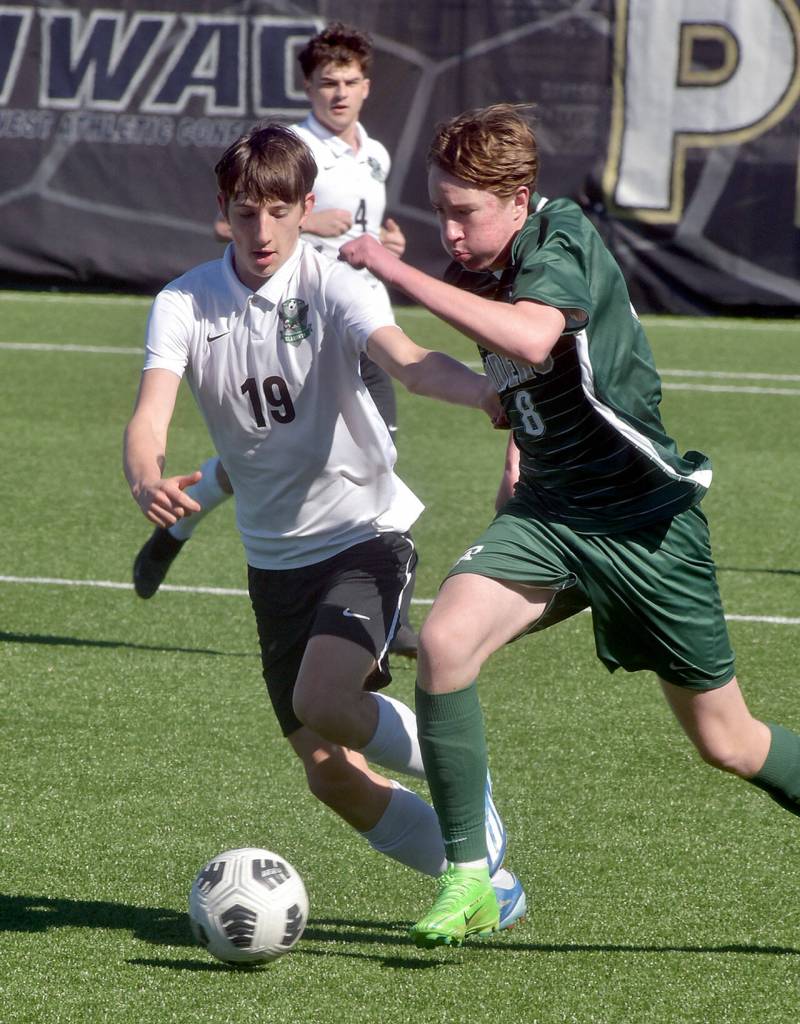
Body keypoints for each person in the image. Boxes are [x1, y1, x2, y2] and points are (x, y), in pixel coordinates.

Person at [339, 101, 800, 948]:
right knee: (446, 644)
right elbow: (523, 386)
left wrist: (396, 273)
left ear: (519, 199)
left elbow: (535, 337)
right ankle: (471, 876)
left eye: (465, 212)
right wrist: (512, 445)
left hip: (644, 527)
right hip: (552, 515)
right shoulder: (479, 256)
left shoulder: (561, 237)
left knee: (729, 742)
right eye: (439, 208)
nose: (451, 229)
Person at [123, 123, 526, 930]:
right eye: (245, 213)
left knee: (328, 695)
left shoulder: (336, 283)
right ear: (223, 211)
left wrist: (484, 394)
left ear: (309, 208)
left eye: (280, 211)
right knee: (328, 774)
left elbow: (408, 360)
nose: (262, 231)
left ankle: (462, 791)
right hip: (273, 563)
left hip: (363, 532)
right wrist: (144, 475)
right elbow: (150, 417)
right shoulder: (185, 301)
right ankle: (496, 889)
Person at [133, 23, 419, 656]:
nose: (338, 95)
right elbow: (229, 222)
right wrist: (307, 220)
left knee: (343, 457)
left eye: (349, 83)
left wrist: (386, 246)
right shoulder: (288, 146)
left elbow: (360, 241)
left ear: (367, 87)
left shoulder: (374, 153)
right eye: (326, 84)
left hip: (352, 321)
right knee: (281, 457)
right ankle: (375, 618)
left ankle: (182, 530)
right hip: (290, 326)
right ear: (308, 88)